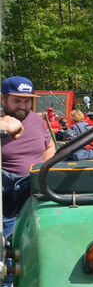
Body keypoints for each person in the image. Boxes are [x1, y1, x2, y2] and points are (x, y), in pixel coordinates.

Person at [1, 76, 55, 236]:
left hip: (32, 184)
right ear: (3, 99)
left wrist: (42, 171)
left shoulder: (37, 120)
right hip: (5, 189)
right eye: (17, 101)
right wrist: (8, 124)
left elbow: (50, 146)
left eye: (27, 101)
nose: (23, 106)